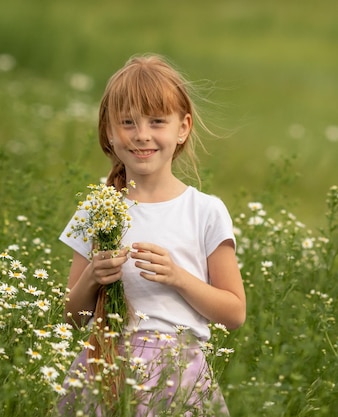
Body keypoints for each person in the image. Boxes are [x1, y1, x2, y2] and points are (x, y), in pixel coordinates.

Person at [57, 54, 246, 416]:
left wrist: (179, 278)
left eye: (157, 121)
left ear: (182, 127)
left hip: (178, 373)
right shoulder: (98, 210)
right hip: (105, 368)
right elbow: (72, 317)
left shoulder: (204, 210)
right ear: (109, 132)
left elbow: (234, 313)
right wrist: (93, 278)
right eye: (127, 122)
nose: (142, 135)